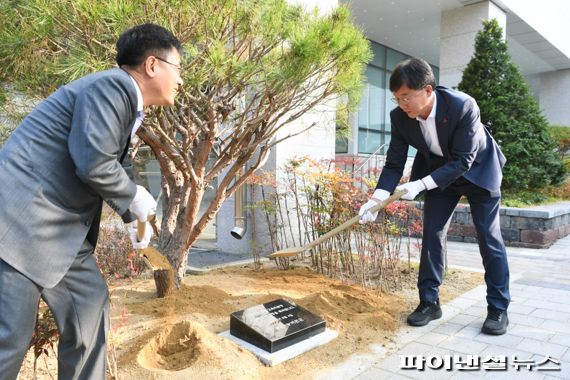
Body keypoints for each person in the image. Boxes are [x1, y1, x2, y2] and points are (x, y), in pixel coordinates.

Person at [0, 23, 183, 379]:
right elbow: (94, 162)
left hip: (59, 235)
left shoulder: (126, 104)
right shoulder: (111, 87)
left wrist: (137, 221)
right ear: (151, 65)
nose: (181, 81)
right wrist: (134, 196)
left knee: (88, 306)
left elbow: (118, 166)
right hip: (20, 226)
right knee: (9, 338)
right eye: (178, 69)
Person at [359, 58, 510, 335]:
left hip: (478, 171)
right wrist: (376, 200)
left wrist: (419, 184)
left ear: (428, 90)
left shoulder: (462, 106)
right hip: (440, 174)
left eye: (406, 97)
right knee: (431, 234)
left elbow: (464, 160)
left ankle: (498, 308)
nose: (402, 104)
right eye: (397, 99)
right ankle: (429, 302)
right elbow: (394, 163)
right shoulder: (400, 118)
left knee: (488, 237)